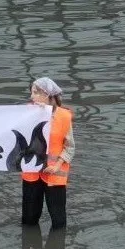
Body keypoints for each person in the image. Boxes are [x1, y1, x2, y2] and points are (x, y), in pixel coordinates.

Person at [20, 77, 72, 229]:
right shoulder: (25, 113)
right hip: (31, 172)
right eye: (31, 93)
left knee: (58, 220)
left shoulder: (64, 116)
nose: (32, 97)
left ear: (47, 95)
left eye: (35, 93)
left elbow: (70, 147)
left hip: (54, 173)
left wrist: (57, 165)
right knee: (29, 218)